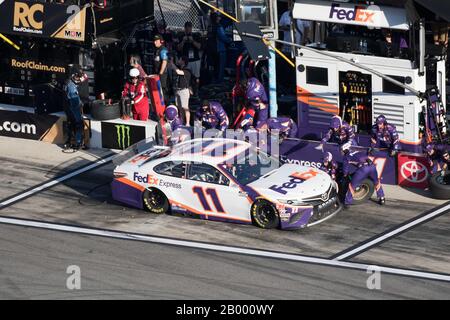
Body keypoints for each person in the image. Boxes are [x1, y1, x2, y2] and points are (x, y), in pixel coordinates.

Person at [177, 21, 202, 96]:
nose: (188, 29)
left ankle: (196, 92)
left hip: (195, 60)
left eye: (189, 27)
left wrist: (192, 41)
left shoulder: (196, 35)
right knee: (186, 77)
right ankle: (188, 92)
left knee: (196, 77)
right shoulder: (181, 36)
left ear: (191, 28)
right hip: (186, 61)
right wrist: (183, 41)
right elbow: (178, 48)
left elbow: (199, 46)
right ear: (184, 28)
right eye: (186, 27)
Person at [64, 70, 85, 150]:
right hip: (72, 108)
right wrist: (80, 104)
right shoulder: (72, 87)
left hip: (68, 107)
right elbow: (75, 101)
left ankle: (69, 142)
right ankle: (78, 142)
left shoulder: (70, 80)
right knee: (79, 124)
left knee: (71, 124)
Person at [171, 56, 192, 126]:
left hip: (184, 91)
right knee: (179, 107)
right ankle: (182, 122)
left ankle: (188, 123)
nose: (178, 61)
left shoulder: (187, 70)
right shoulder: (181, 68)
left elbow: (178, 72)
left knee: (185, 107)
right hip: (178, 90)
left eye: (179, 59)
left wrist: (172, 62)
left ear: (183, 61)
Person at [215, 13, 232, 83]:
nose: (220, 18)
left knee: (218, 67)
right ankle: (220, 82)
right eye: (219, 17)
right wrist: (230, 40)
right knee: (221, 67)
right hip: (221, 49)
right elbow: (223, 37)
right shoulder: (218, 26)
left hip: (216, 50)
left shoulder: (211, 25)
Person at [153, 34, 169, 99]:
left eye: (156, 41)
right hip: (157, 73)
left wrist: (160, 73)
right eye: (154, 41)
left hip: (162, 74)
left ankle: (164, 104)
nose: (154, 42)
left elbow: (164, 62)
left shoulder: (163, 49)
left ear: (161, 41)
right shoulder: (156, 49)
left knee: (162, 90)